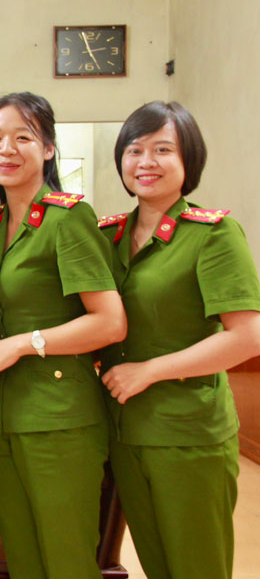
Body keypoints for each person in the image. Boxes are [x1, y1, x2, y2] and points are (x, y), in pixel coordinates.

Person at [0, 92, 127, 579]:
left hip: (60, 420)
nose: (6, 149)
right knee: (22, 559)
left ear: (49, 149)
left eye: (23, 137)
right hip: (1, 418)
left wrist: (24, 344)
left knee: (66, 561)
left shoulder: (67, 218)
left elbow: (110, 321)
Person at [99, 101, 260, 579]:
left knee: (196, 567)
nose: (145, 162)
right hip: (124, 433)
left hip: (188, 435)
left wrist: (150, 371)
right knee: (156, 564)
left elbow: (247, 337)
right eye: (134, 150)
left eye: (162, 149)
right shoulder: (108, 236)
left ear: (189, 158)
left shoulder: (213, 234)